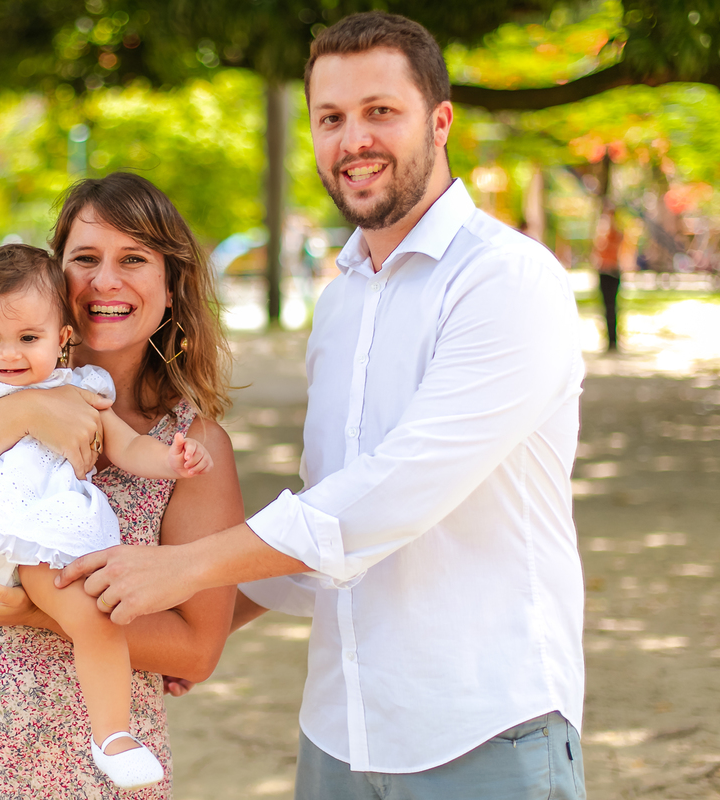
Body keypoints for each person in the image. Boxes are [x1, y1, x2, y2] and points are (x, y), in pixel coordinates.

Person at [58, 12, 587, 800]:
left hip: (481, 725)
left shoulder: (505, 280)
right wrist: (206, 621)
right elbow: (327, 510)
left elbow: (393, 496)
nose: (353, 140)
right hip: (341, 729)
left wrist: (184, 569)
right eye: (331, 118)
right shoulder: (342, 302)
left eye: (381, 111)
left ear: (440, 121)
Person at [0, 172, 242, 798]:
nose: (106, 281)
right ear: (55, 276)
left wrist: (33, 611)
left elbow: (196, 650)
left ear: (172, 286)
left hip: (88, 770)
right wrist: (27, 410)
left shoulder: (190, 446)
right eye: (85, 259)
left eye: (134, 259)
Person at [594, 203, 624, 352]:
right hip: (603, 271)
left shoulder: (615, 233)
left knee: (612, 308)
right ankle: (608, 339)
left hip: (612, 272)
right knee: (605, 308)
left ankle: (613, 340)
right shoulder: (600, 233)